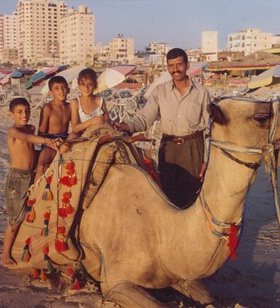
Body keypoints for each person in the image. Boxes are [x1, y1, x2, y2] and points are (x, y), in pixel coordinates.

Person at [113, 48, 211, 208]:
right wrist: (126, 126)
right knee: (169, 197)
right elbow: (145, 118)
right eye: (171, 66)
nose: (175, 69)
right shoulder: (160, 91)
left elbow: (208, 129)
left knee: (193, 194)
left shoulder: (201, 92)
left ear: (188, 66)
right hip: (168, 148)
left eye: (179, 64)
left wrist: (207, 159)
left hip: (193, 148)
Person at [1, 97, 58, 268]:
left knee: (32, 209)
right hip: (16, 179)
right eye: (19, 112)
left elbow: (33, 144)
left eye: (26, 111)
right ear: (11, 114)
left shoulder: (31, 128)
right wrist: (46, 141)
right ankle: (4, 255)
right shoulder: (13, 132)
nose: (24, 115)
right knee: (16, 218)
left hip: (30, 175)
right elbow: (27, 138)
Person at [34, 75, 71, 182]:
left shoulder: (70, 107)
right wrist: (50, 143)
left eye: (64, 87)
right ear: (51, 92)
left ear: (68, 90)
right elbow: (41, 133)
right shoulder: (48, 108)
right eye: (57, 88)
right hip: (49, 142)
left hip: (65, 141)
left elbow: (76, 127)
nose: (61, 91)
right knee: (42, 166)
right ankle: (35, 194)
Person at [70, 68, 111, 136]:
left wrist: (103, 121)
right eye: (83, 84)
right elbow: (75, 128)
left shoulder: (99, 101)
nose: (86, 88)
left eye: (90, 84)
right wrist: (91, 121)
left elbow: (108, 121)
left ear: (95, 85)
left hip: (100, 133)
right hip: (83, 135)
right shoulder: (75, 102)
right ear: (79, 85)